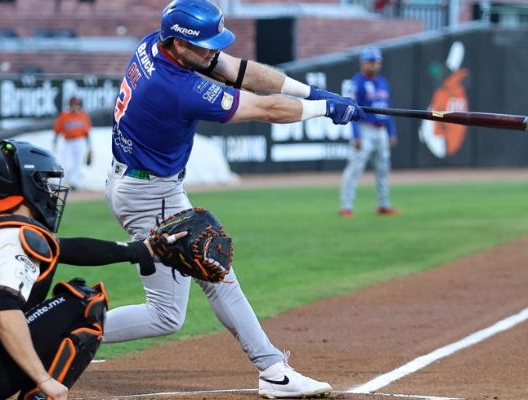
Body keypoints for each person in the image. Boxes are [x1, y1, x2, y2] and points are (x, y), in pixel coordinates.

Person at [104, 1, 364, 398]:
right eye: (205, 46)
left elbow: (241, 71)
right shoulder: (177, 88)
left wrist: (314, 93)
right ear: (177, 43)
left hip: (143, 183)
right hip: (150, 193)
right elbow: (265, 107)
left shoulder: (158, 46)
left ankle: (54, 331)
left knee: (169, 314)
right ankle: (272, 369)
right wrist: (325, 108)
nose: (212, 52)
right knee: (213, 270)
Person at [0, 140, 183, 400]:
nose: (52, 192)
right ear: (29, 186)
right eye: (45, 182)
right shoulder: (16, 239)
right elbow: (4, 312)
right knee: (85, 303)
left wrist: (139, 250)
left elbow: (68, 249)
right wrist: (44, 380)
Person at [339, 47, 400, 218]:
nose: (373, 65)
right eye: (370, 61)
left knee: (383, 168)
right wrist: (356, 135)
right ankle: (346, 206)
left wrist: (391, 131)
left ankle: (383, 204)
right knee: (355, 168)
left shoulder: (383, 82)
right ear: (363, 62)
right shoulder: (356, 82)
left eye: (376, 61)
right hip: (364, 128)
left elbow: (387, 109)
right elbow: (351, 109)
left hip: (381, 130)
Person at [52, 96, 92, 190]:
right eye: (72, 104)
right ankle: (57, 183)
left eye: (76, 104)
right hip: (67, 142)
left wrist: (89, 146)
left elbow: (87, 133)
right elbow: (57, 131)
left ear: (78, 105)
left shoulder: (83, 116)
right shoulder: (64, 116)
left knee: (77, 163)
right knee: (63, 162)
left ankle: (74, 183)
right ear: (69, 105)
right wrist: (54, 142)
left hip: (79, 141)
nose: (74, 106)